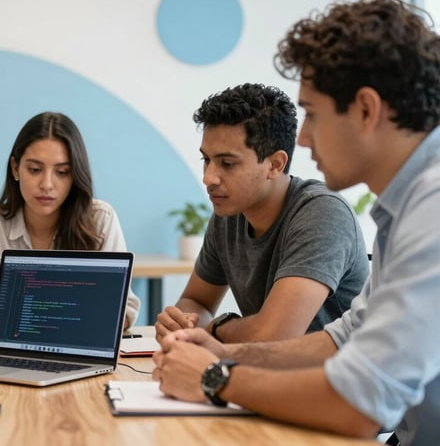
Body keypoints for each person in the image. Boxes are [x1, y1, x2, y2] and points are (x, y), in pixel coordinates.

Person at [152, 0, 440, 445]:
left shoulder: (432, 209)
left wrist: (215, 375)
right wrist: (226, 352)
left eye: (312, 113)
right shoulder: (404, 209)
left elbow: (361, 403)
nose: (303, 137)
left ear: (365, 109)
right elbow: (341, 339)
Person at [155, 83, 369, 344]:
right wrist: (183, 323)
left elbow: (274, 335)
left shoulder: (323, 213)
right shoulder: (229, 214)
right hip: (268, 372)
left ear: (275, 165)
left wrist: (215, 328)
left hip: (332, 380)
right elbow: (196, 300)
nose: (208, 177)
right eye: (206, 159)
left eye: (227, 163)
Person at [0, 111, 141, 337]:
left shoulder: (101, 219)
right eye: (35, 170)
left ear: (75, 175)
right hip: (7, 347)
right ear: (16, 168)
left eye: (62, 172)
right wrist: (0, 329)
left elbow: (123, 309)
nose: (47, 184)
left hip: (77, 346)